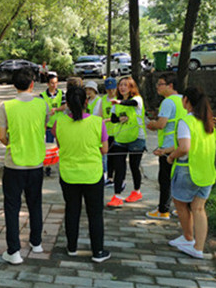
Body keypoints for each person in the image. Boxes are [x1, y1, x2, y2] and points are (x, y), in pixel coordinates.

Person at [53, 85, 110, 263]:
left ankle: (72, 248)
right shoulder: (97, 122)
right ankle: (98, 251)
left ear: (67, 104)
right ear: (87, 101)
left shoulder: (58, 123)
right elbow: (105, 150)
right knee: (95, 214)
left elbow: (60, 145)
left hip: (69, 175)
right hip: (93, 175)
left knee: (72, 211)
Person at [0, 67, 48, 265]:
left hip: (13, 164)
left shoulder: (6, 106)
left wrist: (12, 143)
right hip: (36, 162)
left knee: (12, 207)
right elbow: (43, 128)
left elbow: (2, 136)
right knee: (35, 203)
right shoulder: (42, 104)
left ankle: (14, 252)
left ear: (13, 85)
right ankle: (36, 244)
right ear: (32, 84)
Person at [166, 87, 216, 259]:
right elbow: (192, 144)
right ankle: (198, 247)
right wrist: (166, 150)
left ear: (186, 100)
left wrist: (171, 156)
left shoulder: (185, 121)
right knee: (198, 208)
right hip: (207, 172)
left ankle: (188, 238)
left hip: (187, 169)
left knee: (180, 204)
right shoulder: (208, 122)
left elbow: (185, 148)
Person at [145, 73, 186, 220]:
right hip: (182, 145)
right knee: (180, 180)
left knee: (165, 180)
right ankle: (182, 209)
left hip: (168, 147)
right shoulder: (183, 100)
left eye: (160, 84)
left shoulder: (168, 102)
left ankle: (163, 210)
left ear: (170, 85)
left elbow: (162, 124)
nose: (157, 87)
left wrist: (152, 125)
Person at [106, 77, 146, 208]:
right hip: (120, 139)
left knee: (134, 166)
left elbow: (132, 104)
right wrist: (119, 118)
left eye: (126, 85)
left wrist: (119, 101)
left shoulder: (137, 99)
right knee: (119, 167)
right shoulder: (115, 103)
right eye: (120, 85)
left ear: (131, 87)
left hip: (136, 138)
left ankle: (137, 191)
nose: (122, 87)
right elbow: (112, 119)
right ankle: (117, 195)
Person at [101, 78, 117, 186]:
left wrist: (107, 120)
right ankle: (109, 177)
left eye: (112, 89)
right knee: (108, 156)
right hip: (106, 132)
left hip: (117, 132)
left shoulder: (118, 100)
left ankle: (115, 177)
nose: (111, 91)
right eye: (108, 89)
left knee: (115, 157)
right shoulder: (103, 100)